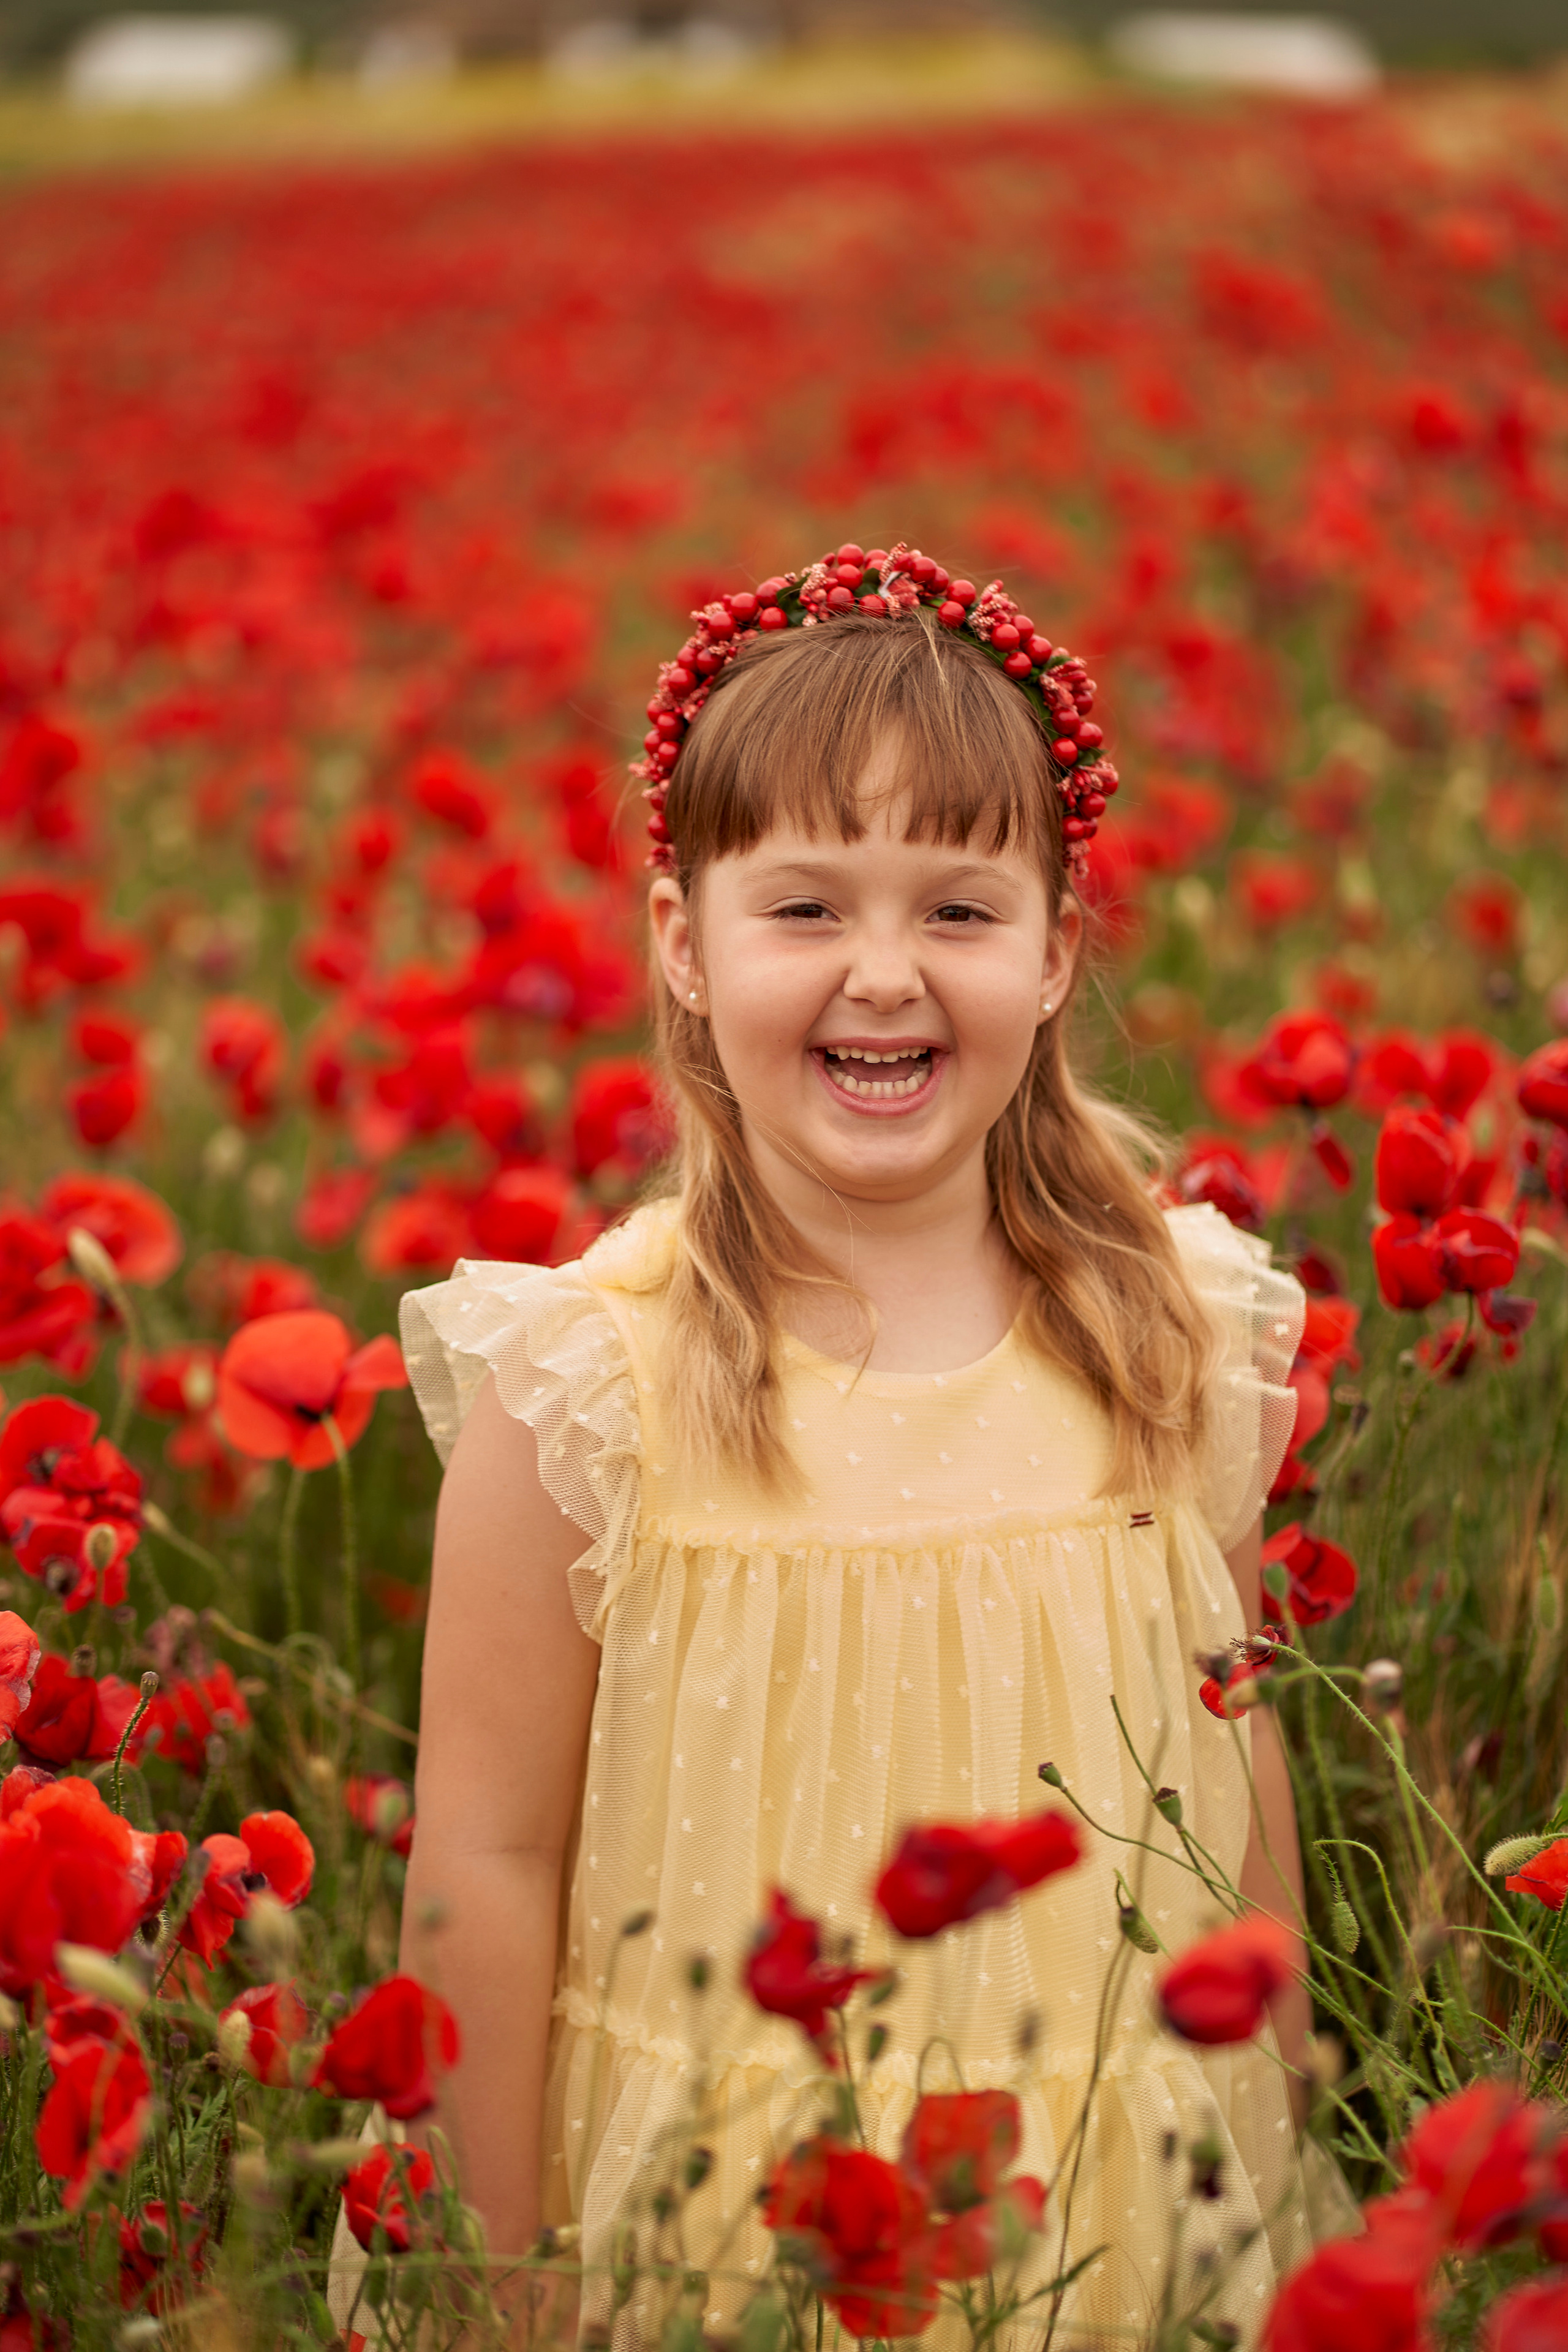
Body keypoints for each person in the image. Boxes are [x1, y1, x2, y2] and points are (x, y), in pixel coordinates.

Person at [334, 544, 1319, 2348]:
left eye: (958, 910)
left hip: (1104, 2177)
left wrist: (1283, 2113)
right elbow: (484, 1865)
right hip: (724, 2215)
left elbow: (1234, 1767)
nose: (885, 975)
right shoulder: (588, 1389)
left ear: (1057, 949)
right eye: (805, 910)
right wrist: (500, 2285)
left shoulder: (1170, 1335)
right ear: (682, 946)